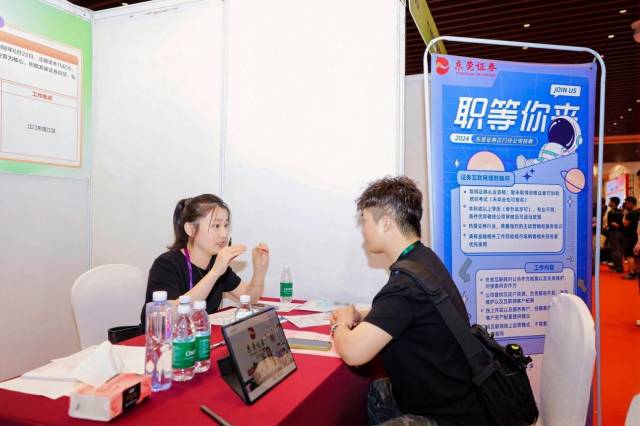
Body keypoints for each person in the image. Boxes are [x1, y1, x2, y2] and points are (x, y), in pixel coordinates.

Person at [330, 176, 488, 426]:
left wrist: (340, 324)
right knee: (377, 391)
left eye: (365, 221)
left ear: (385, 223)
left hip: (447, 418)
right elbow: (406, 313)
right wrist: (360, 315)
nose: (363, 230)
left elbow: (353, 352)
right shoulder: (423, 260)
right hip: (461, 400)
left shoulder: (405, 285)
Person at [141, 194, 269, 323]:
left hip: (202, 333)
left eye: (226, 225)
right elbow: (166, 318)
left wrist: (260, 270)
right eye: (216, 226)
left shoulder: (215, 262)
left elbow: (249, 299)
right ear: (190, 229)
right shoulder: (166, 264)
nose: (224, 234)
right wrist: (215, 273)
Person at [604, 197, 624, 273]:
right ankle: (617, 265)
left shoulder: (618, 212)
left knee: (615, 249)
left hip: (615, 232)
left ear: (614, 203)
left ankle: (619, 267)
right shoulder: (612, 212)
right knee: (615, 249)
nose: (609, 202)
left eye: (610, 201)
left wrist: (614, 224)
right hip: (613, 232)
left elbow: (619, 224)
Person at [622, 196, 640, 279]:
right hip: (637, 236)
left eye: (626, 203)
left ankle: (632, 272)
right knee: (637, 255)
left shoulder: (631, 213)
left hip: (630, 236)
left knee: (630, 255)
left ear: (631, 203)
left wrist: (624, 215)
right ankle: (637, 272)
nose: (625, 205)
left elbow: (625, 224)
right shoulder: (638, 212)